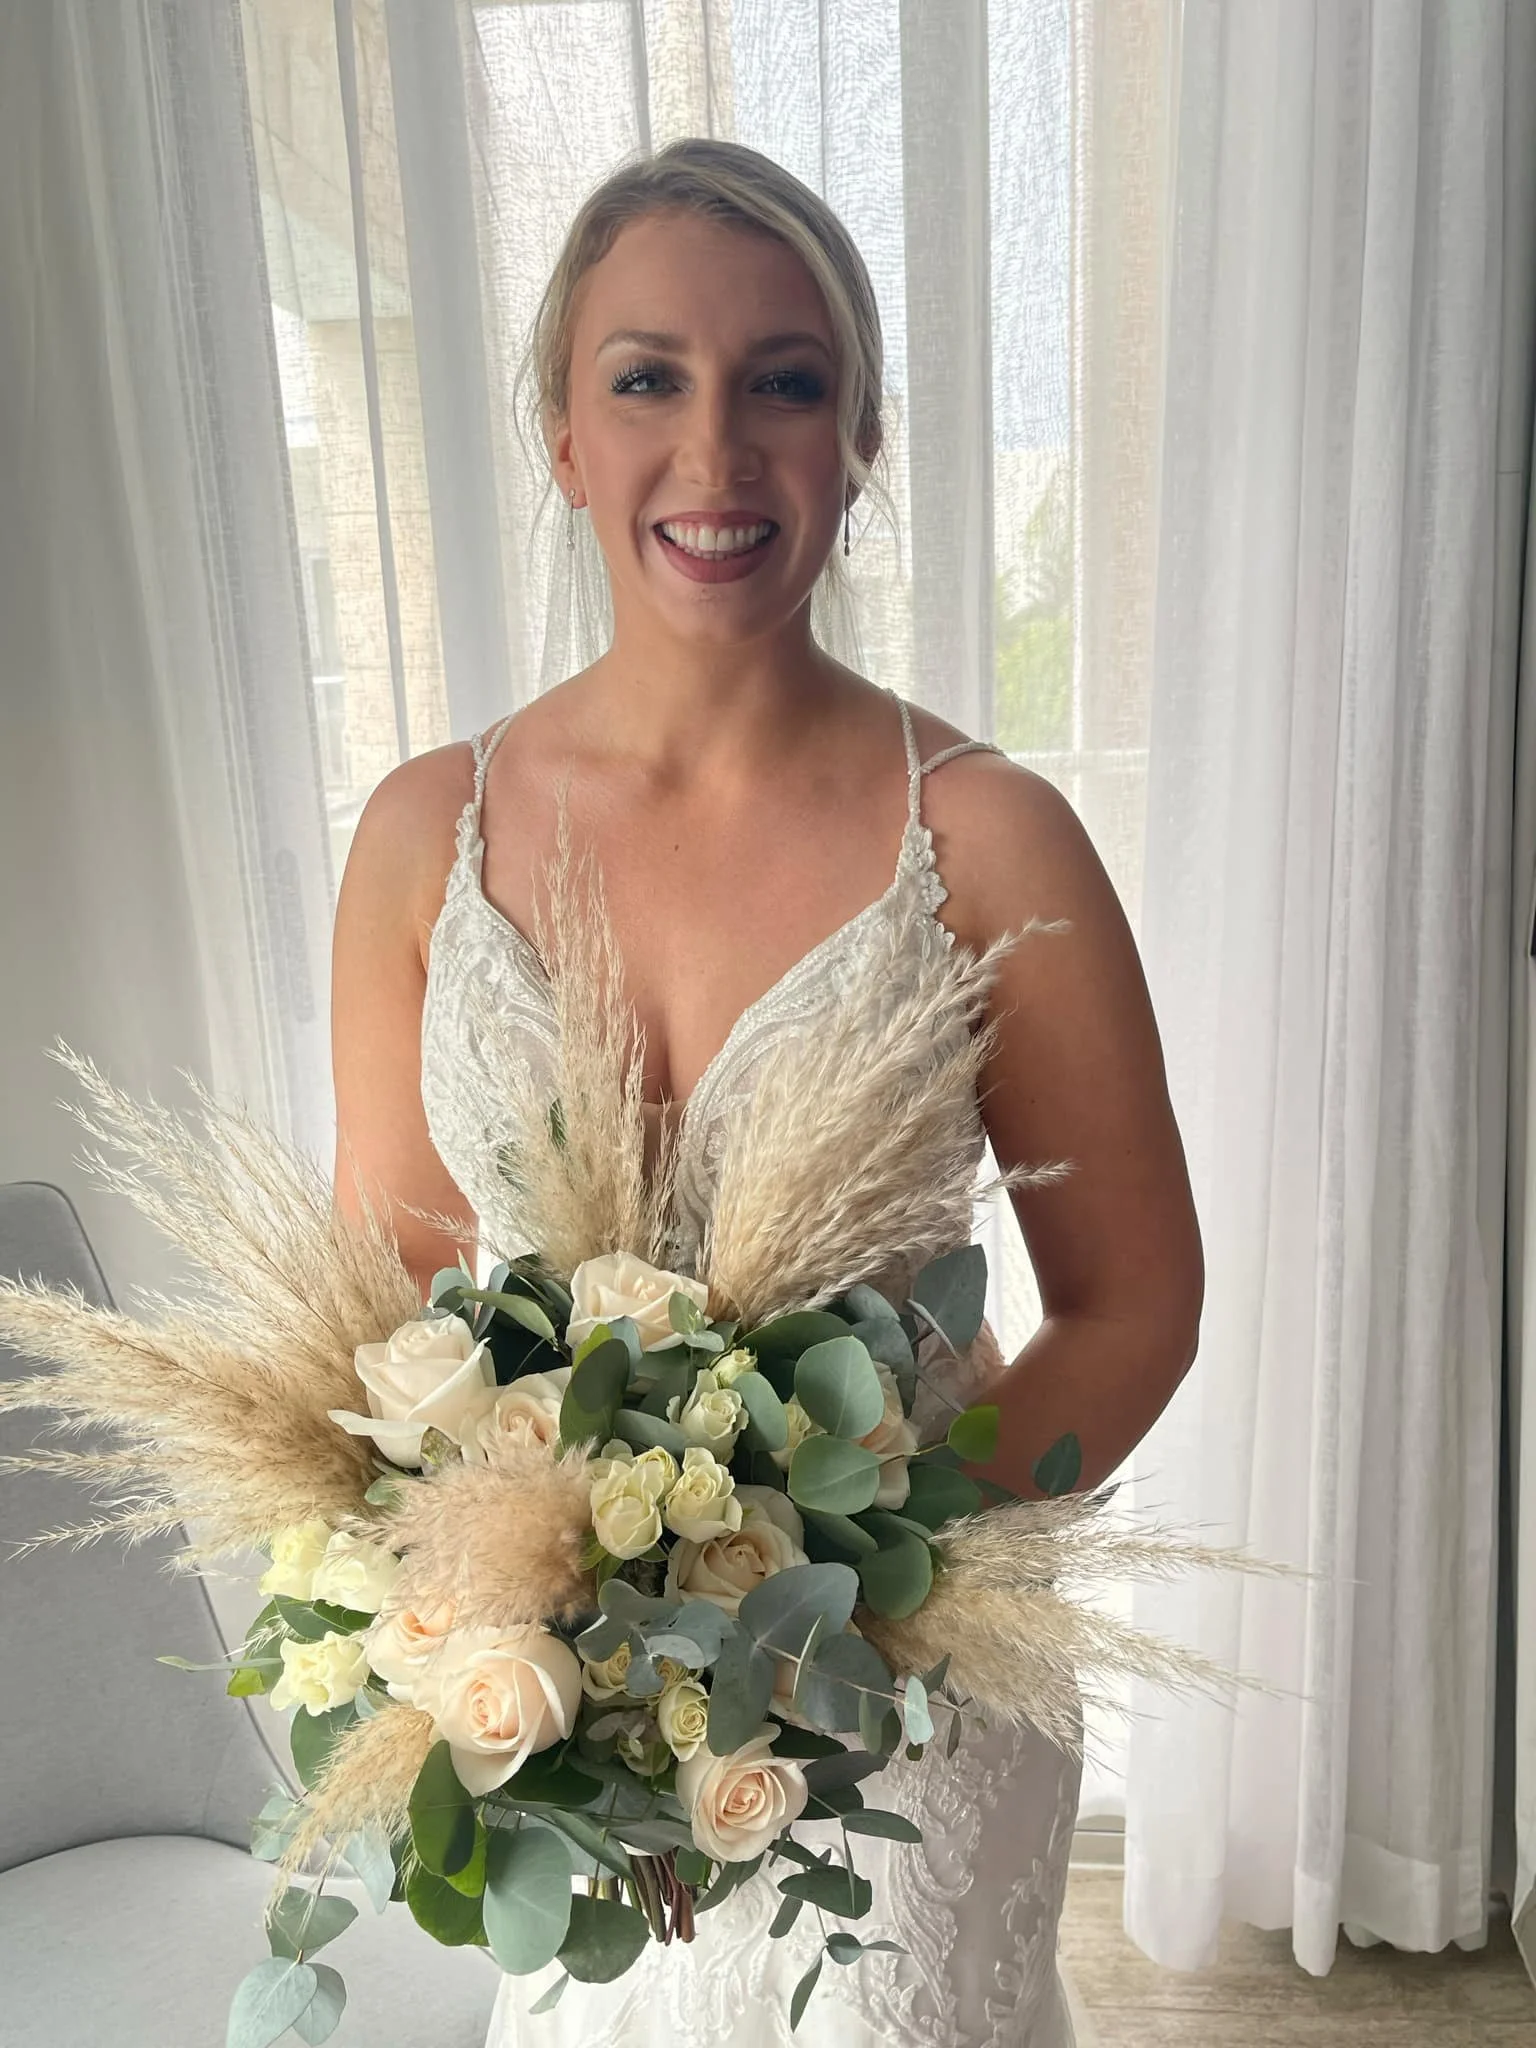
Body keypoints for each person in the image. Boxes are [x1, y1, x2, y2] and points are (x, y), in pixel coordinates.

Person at [330, 137, 1202, 2047]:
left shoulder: (985, 839)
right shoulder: (421, 836)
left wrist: (864, 1586)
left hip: (902, 1710)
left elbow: (1137, 1304)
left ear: (859, 434)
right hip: (569, 1717)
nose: (714, 452)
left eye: (783, 383)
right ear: (563, 435)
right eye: (647, 378)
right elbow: (381, 1315)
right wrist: (538, 1632)